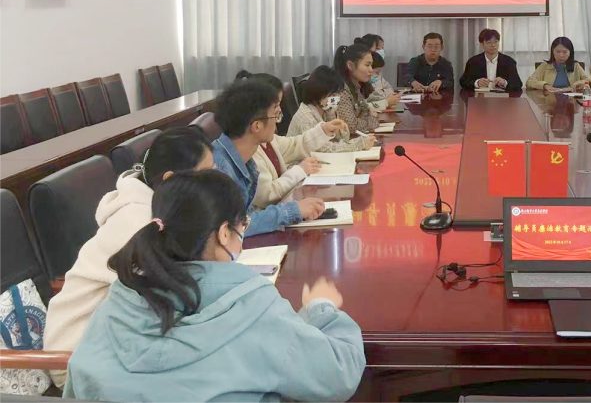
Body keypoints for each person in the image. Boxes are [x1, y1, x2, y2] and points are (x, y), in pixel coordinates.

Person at [63, 170, 366, 402]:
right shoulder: (253, 310)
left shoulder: (116, 303)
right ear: (224, 234)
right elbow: (339, 374)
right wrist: (321, 308)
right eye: (244, 225)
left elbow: (78, 384)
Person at [43, 128, 213, 388]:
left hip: (118, 338)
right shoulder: (138, 222)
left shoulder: (157, 207)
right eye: (205, 176)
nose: (212, 185)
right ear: (170, 179)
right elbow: (166, 297)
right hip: (77, 357)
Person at [212, 79, 344, 235]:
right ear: (256, 126)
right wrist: (294, 210)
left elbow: (246, 218)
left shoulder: (244, 151)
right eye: (275, 116)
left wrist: (324, 130)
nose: (277, 123)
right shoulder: (219, 169)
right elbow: (237, 226)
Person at [288, 66, 378, 154]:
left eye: (338, 94)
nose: (337, 98)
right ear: (320, 92)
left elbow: (343, 138)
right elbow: (324, 149)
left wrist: (332, 115)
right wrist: (358, 144)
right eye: (333, 94)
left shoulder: (324, 109)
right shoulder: (306, 116)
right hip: (301, 161)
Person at [335, 43, 382, 132]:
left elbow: (366, 112)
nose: (371, 70)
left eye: (371, 65)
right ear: (350, 65)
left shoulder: (355, 86)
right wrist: (372, 120)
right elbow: (350, 126)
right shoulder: (341, 90)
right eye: (367, 65)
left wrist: (366, 118)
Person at [526, 36, 591, 91]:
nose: (561, 55)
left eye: (565, 52)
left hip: (570, 100)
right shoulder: (545, 66)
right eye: (557, 51)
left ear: (570, 53)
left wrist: (577, 83)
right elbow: (529, 82)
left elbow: (589, 80)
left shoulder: (575, 66)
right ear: (553, 52)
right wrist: (545, 85)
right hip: (550, 100)